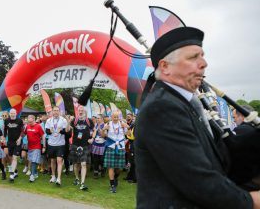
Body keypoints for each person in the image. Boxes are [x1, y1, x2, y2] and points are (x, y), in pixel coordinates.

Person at [135, 27, 258, 208]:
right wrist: (252, 202)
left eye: (202, 55)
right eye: (193, 57)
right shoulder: (162, 108)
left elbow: (216, 162)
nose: (204, 63)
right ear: (165, 67)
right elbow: (197, 180)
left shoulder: (186, 104)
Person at [67, 106, 94, 191]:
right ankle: (77, 178)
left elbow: (94, 130)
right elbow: (67, 129)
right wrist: (68, 121)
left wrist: (92, 138)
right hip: (75, 144)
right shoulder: (74, 120)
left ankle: (82, 183)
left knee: (83, 164)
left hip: (85, 145)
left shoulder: (89, 121)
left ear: (85, 112)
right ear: (77, 111)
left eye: (82, 110)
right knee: (76, 164)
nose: (81, 111)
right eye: (79, 110)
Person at [103, 111, 129, 193]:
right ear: (111, 117)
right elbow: (103, 136)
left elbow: (129, 134)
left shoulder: (122, 124)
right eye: (114, 117)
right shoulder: (108, 124)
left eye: (117, 117)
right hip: (111, 146)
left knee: (119, 167)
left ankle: (116, 177)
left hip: (120, 147)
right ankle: (112, 185)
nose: (116, 118)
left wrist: (127, 127)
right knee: (111, 166)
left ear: (119, 117)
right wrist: (104, 129)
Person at [45, 106, 68, 186]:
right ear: (52, 112)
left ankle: (59, 178)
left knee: (59, 160)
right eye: (54, 110)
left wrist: (61, 131)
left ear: (59, 111)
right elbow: (47, 131)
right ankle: (53, 176)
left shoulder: (63, 120)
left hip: (60, 144)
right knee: (52, 160)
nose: (55, 112)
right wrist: (50, 131)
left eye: (57, 110)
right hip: (51, 143)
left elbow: (66, 131)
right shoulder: (49, 120)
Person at [4, 108, 24, 182]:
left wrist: (19, 139)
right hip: (10, 142)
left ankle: (12, 174)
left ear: (16, 113)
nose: (12, 114)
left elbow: (22, 131)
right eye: (11, 113)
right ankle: (15, 171)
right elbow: (5, 130)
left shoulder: (19, 121)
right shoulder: (6, 121)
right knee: (11, 157)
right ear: (9, 114)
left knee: (15, 157)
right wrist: (4, 138)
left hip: (17, 142)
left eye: (14, 113)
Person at [24, 115, 46, 182]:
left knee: (34, 160)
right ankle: (35, 173)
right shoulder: (27, 126)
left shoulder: (38, 126)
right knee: (32, 160)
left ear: (34, 120)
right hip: (30, 147)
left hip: (37, 147)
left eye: (31, 122)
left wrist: (44, 146)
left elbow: (43, 136)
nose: (30, 123)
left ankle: (32, 175)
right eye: (29, 122)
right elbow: (24, 134)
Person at [91, 114, 106, 179]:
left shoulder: (105, 125)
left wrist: (99, 129)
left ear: (102, 119)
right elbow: (94, 133)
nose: (97, 119)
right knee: (95, 158)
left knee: (102, 159)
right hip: (96, 143)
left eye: (98, 118)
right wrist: (93, 137)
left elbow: (103, 135)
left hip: (102, 144)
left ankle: (102, 170)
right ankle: (96, 172)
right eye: (97, 118)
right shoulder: (96, 125)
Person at [124, 113, 136, 183]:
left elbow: (132, 136)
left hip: (134, 145)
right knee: (130, 162)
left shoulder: (135, 125)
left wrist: (127, 134)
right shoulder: (132, 124)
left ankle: (134, 178)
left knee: (133, 162)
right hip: (131, 145)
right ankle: (129, 176)